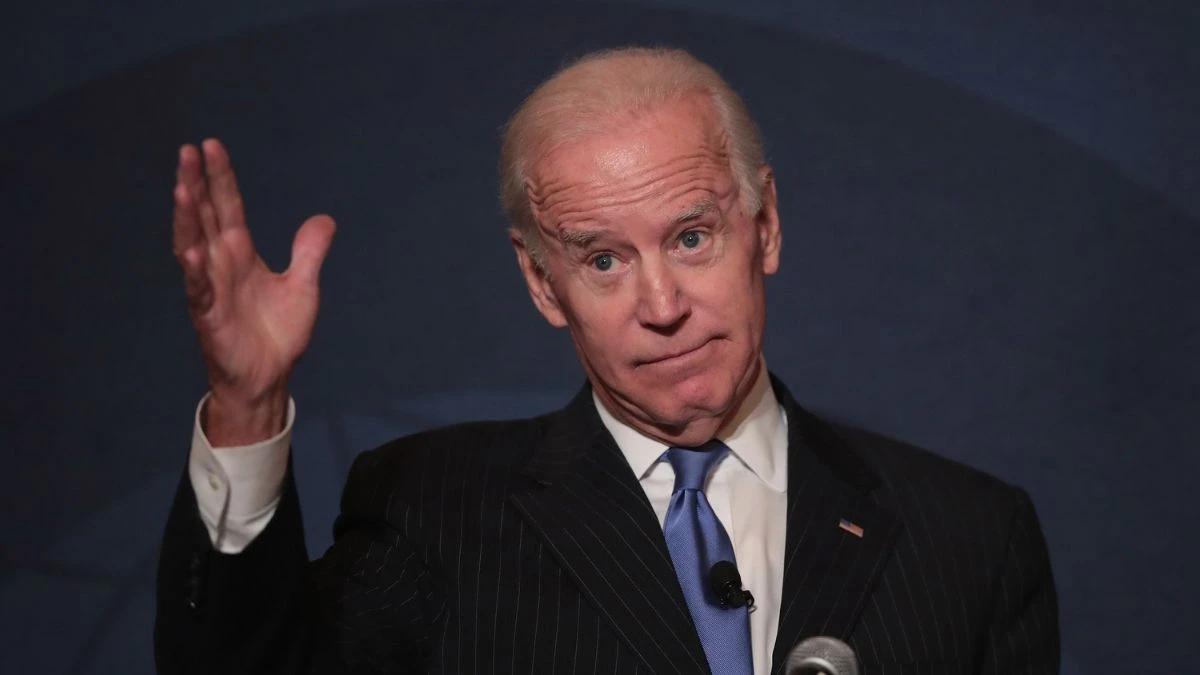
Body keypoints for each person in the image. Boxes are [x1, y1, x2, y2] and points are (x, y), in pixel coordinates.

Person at [155, 47, 1059, 674]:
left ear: (766, 223)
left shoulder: (969, 538)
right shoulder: (430, 509)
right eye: (602, 260)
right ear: (543, 283)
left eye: (693, 236)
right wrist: (248, 403)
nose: (662, 307)